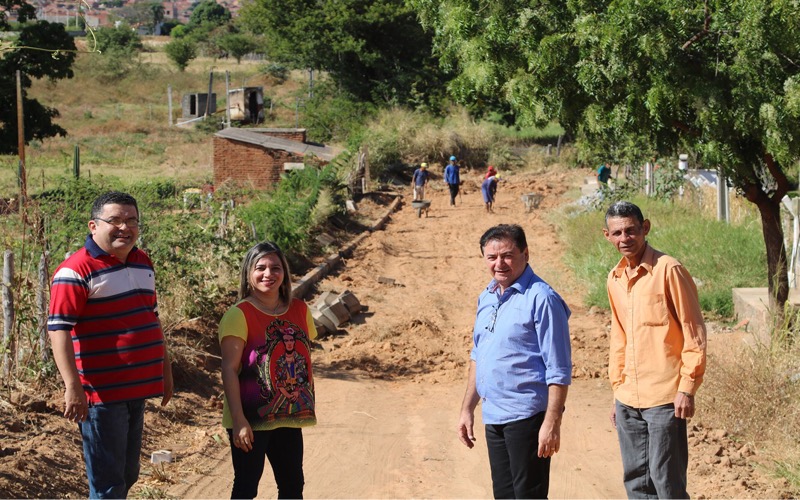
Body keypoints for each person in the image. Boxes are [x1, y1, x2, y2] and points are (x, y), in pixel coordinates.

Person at [48, 191, 173, 499]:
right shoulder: (75, 271)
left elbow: (152, 321)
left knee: (127, 475)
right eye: (114, 220)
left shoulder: (142, 262)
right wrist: (72, 387)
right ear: (93, 226)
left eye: (131, 220)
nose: (124, 227)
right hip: (101, 395)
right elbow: (58, 330)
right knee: (107, 485)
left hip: (136, 390)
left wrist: (165, 372)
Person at [458, 224, 572, 499]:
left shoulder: (542, 298)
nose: (500, 264)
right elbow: (478, 355)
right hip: (495, 415)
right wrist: (467, 408)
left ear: (525, 253)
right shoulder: (487, 296)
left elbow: (558, 368)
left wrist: (551, 422)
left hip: (527, 417)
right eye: (492, 257)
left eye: (507, 255)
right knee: (504, 496)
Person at [603, 201, 707, 499]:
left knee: (667, 482)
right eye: (618, 233)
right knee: (636, 482)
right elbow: (619, 339)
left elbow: (694, 332)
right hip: (628, 397)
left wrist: (687, 388)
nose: (625, 238)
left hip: (664, 398)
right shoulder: (615, 278)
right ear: (607, 236)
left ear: (645, 228)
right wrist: (618, 392)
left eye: (631, 230)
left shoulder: (669, 270)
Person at [219, 241, 318, 499]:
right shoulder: (238, 315)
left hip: (289, 413)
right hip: (250, 417)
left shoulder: (300, 310)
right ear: (248, 274)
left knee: (293, 485)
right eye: (260, 268)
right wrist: (239, 421)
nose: (268, 274)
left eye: (275, 268)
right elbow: (229, 369)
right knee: (246, 487)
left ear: (284, 272)